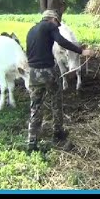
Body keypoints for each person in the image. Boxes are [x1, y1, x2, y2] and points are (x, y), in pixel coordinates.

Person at [26, 9, 94, 152]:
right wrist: (81, 51)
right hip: (47, 71)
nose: (58, 27)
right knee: (56, 101)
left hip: (32, 73)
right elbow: (62, 41)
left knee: (35, 107)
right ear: (53, 19)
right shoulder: (50, 26)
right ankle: (58, 133)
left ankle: (32, 142)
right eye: (57, 23)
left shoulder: (31, 30)